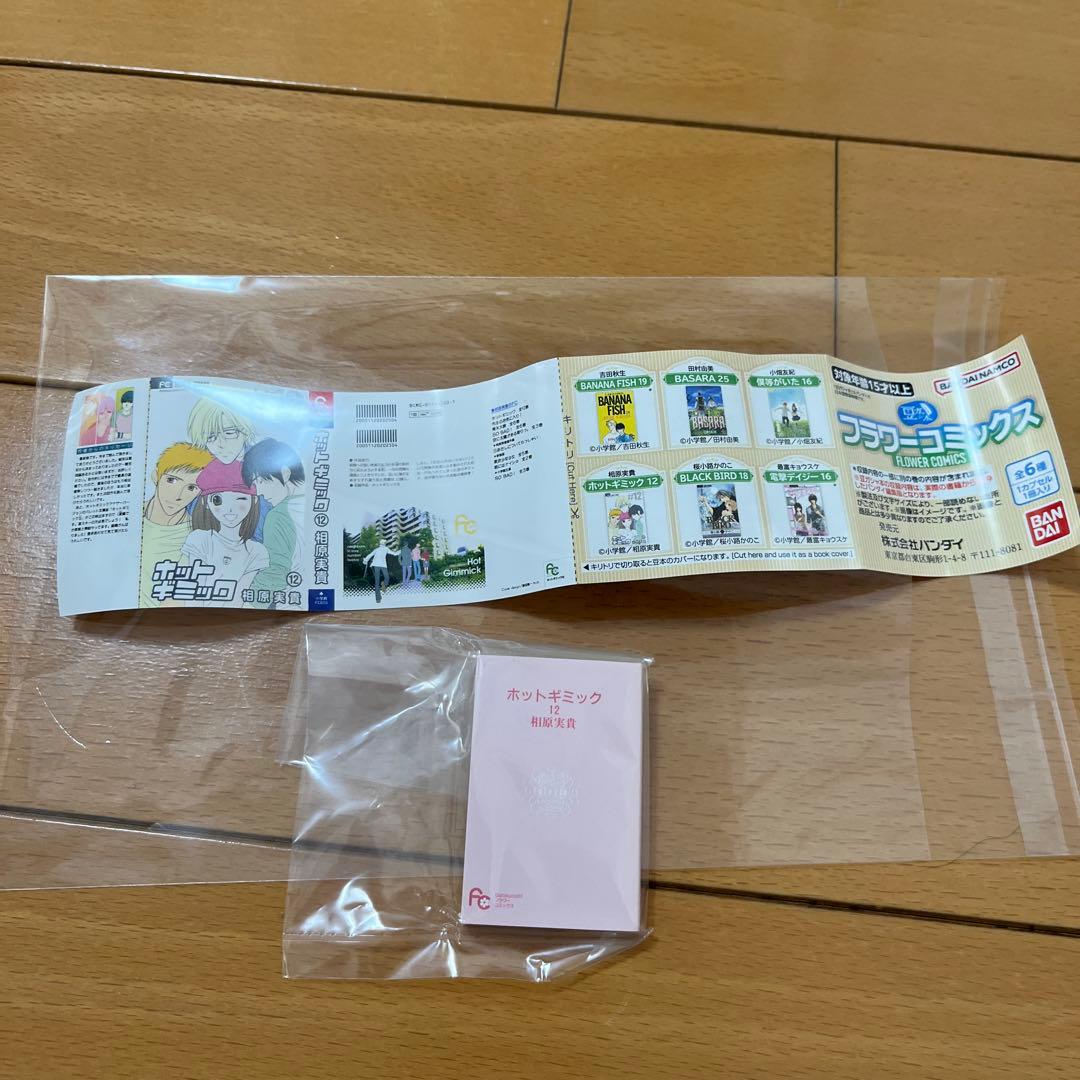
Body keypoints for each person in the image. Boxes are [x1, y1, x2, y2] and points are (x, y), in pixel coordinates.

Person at [180, 459, 269, 606]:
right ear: (206, 503)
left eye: (240, 499)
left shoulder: (256, 551)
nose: (230, 509)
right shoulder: (200, 540)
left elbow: (238, 598)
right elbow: (193, 593)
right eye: (218, 500)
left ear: (253, 501)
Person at [140, 443, 213, 607]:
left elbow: (176, 600)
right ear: (156, 476)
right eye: (171, 480)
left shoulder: (195, 536)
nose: (177, 495)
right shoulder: (130, 517)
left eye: (191, 488)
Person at [242, 438, 306, 605]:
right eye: (255, 484)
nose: (259, 492)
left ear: (285, 473)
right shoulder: (313, 507)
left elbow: (274, 574)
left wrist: (246, 606)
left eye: (261, 481)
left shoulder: (279, 515)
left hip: (290, 607)